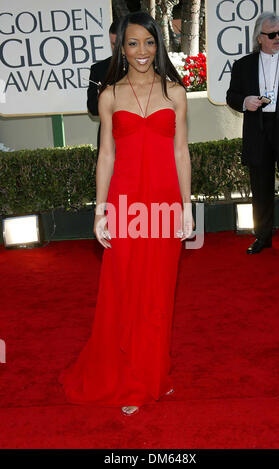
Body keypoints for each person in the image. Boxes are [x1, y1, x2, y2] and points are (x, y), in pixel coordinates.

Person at [59, 11, 194, 416]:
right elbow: (105, 156)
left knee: (158, 293)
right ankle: (131, 376)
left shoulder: (176, 92)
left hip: (165, 204)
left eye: (149, 43)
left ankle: (152, 373)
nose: (141, 51)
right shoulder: (110, 95)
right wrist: (100, 212)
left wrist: (187, 208)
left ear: (159, 46)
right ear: (121, 46)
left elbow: (181, 151)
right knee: (126, 291)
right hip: (127, 205)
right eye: (133, 43)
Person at [226, 12, 279, 254]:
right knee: (260, 186)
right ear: (259, 38)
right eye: (272, 34)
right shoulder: (243, 65)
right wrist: (245, 100)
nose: (278, 38)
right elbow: (232, 96)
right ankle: (263, 237)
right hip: (258, 129)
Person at [87, 20, 119, 152]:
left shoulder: (145, 68)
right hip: (109, 140)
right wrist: (102, 97)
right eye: (113, 44)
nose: (116, 48)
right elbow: (93, 109)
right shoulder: (99, 69)